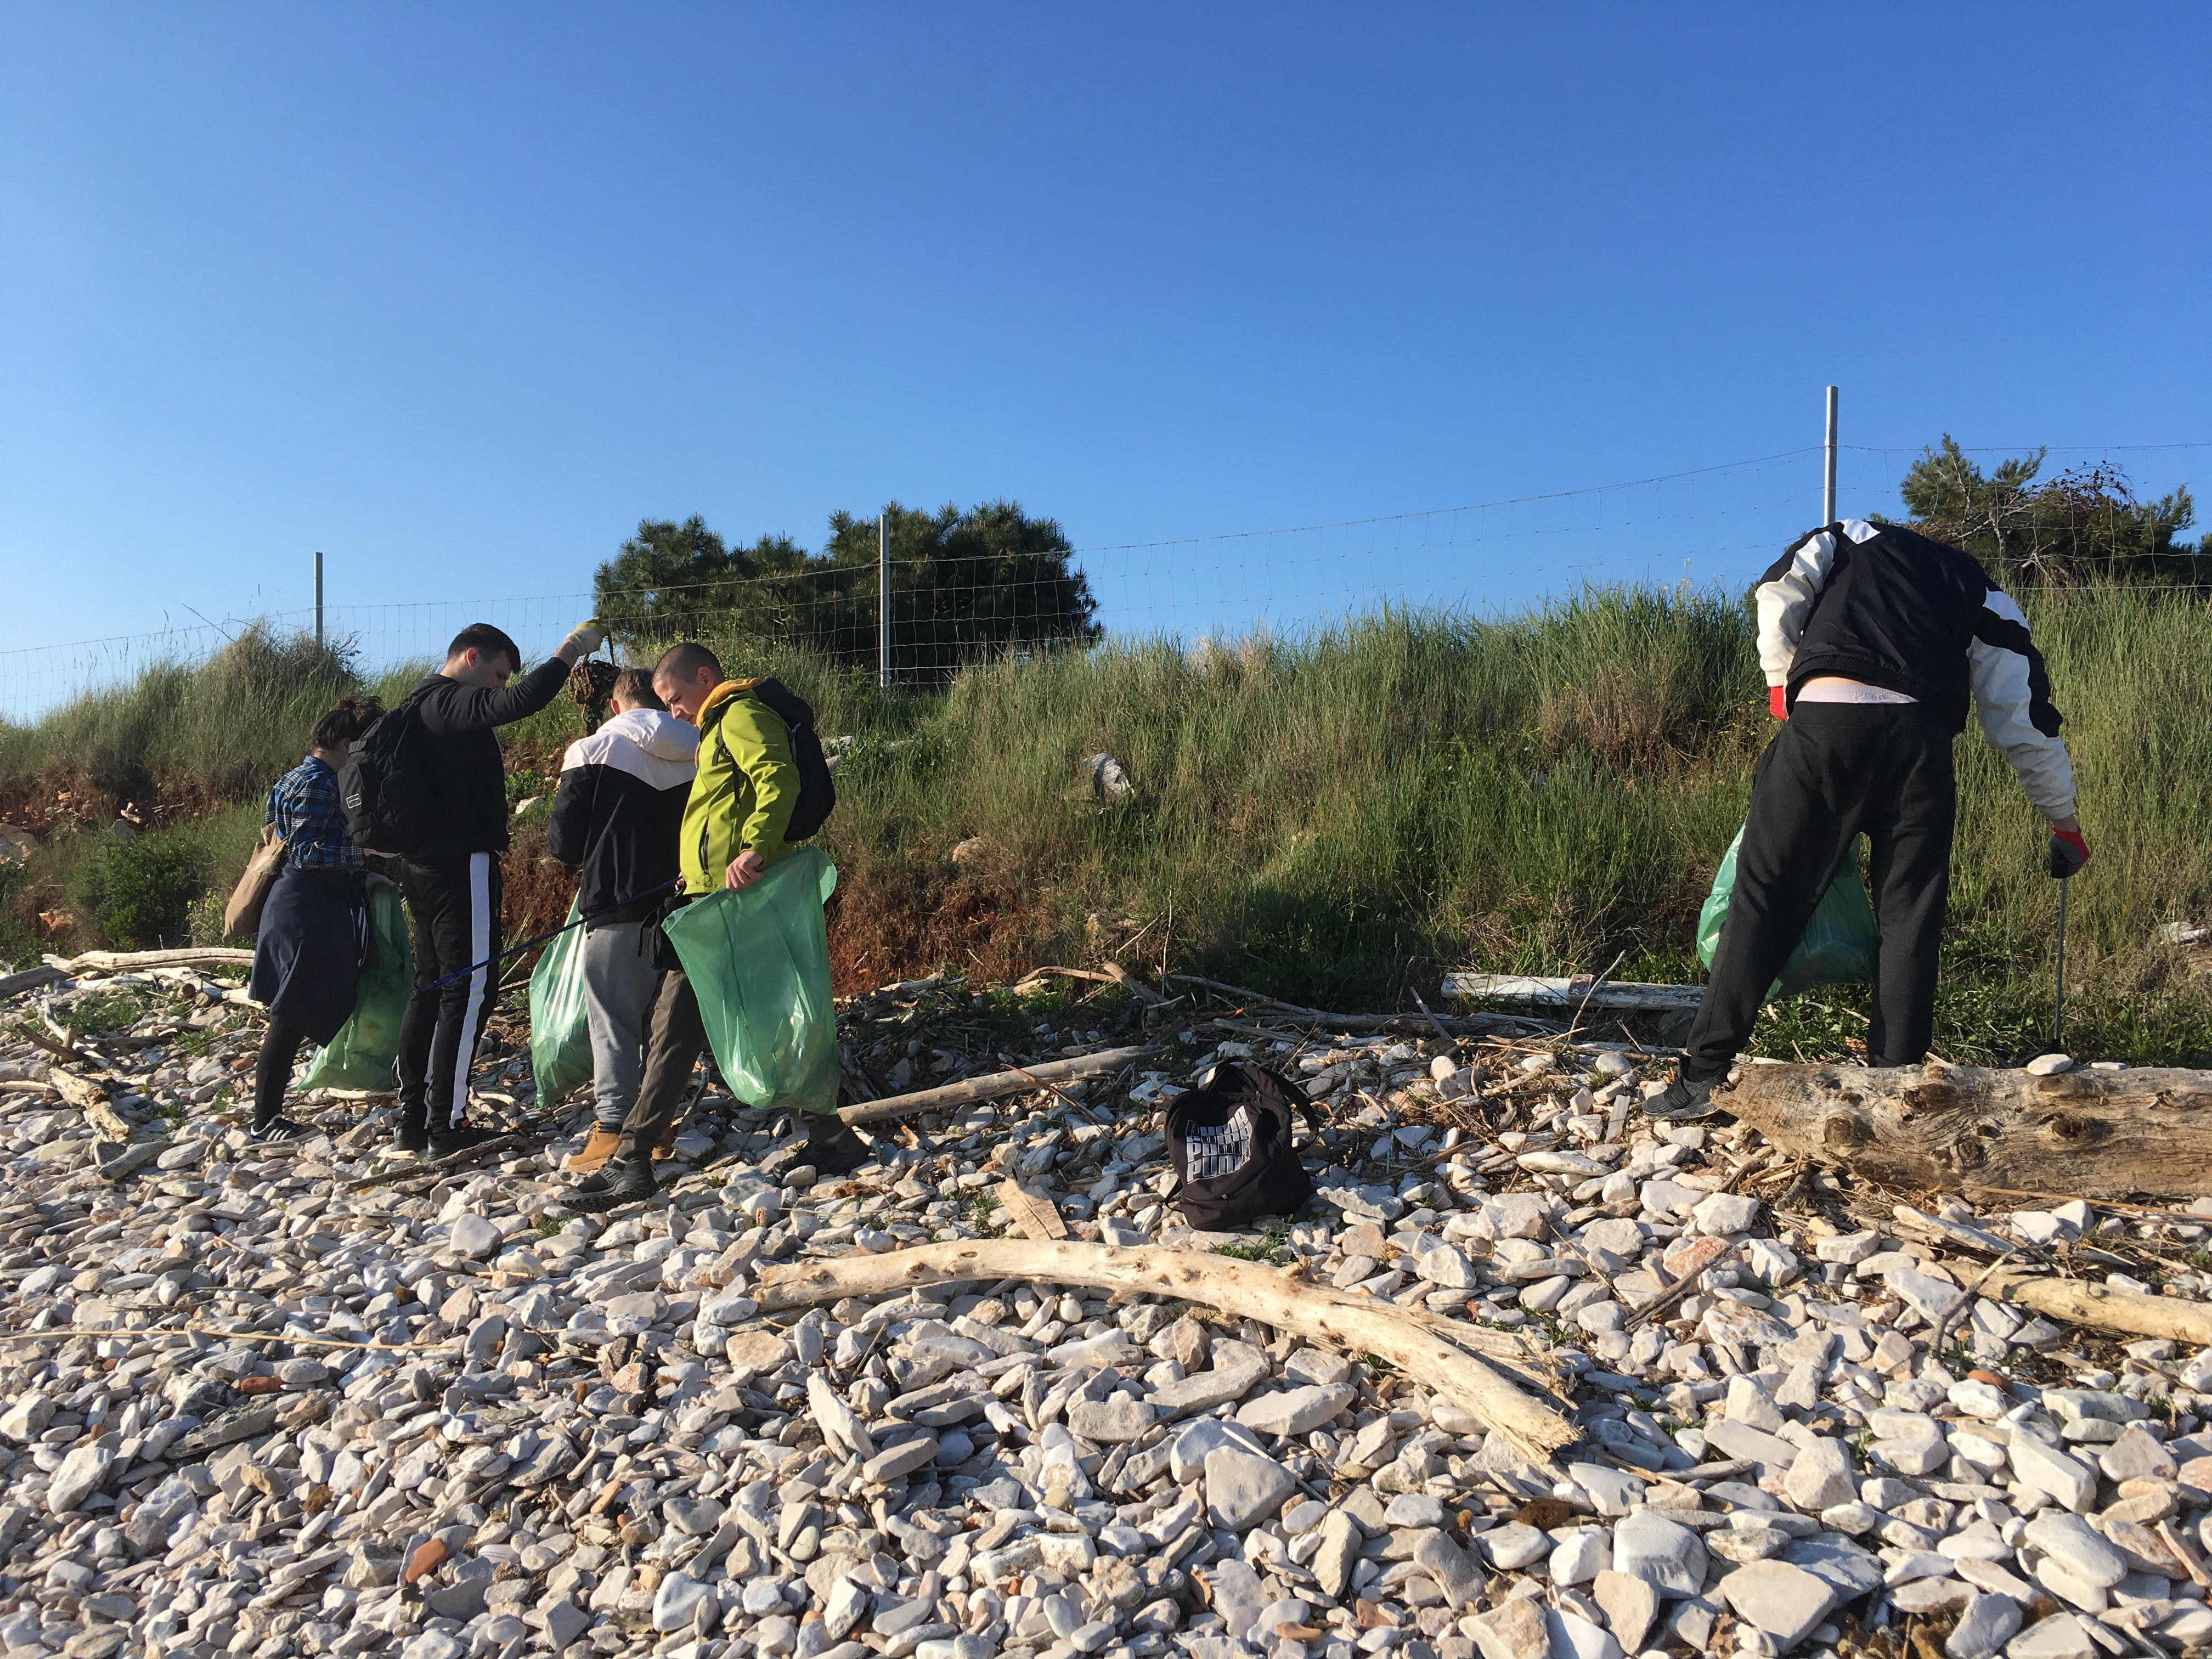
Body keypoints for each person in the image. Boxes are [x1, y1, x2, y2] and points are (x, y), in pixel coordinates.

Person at [1650, 518, 2090, 1120]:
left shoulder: (1851, 535)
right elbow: (2024, 718)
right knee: (1909, 918)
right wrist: (2063, 822)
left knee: (1766, 898)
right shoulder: (1981, 587)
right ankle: (1895, 1092)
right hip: (1920, 744)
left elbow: (1778, 592)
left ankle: (1700, 1081)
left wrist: (1782, 685)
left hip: (1825, 727)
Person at [571, 640, 870, 1211]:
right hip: (713, 895)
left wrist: (755, 849)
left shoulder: (740, 713)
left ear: (705, 677)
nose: (674, 712)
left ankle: (632, 1162)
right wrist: (694, 873)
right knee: (752, 1019)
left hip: (734, 900)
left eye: (677, 698)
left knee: (673, 1026)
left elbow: (775, 779)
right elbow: (722, 811)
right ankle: (833, 1137)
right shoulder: (717, 723)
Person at [394, 619, 606, 1156]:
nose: (500, 686)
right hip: (460, 862)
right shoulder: (449, 702)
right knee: (467, 990)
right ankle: (448, 1125)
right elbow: (516, 705)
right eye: (497, 674)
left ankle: (414, 1121)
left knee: (431, 987)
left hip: (421, 866)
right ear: (470, 657)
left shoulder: (416, 707)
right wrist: (570, 652)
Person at [546, 667, 699, 1171]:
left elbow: (564, 847)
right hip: (684, 906)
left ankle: (612, 1129)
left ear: (615, 706)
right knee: (667, 1026)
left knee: (613, 1022)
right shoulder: (700, 748)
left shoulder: (590, 751)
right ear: (662, 702)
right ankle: (655, 1132)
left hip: (616, 904)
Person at [246, 695, 385, 1141]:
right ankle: (265, 1120)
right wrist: (369, 854)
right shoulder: (320, 783)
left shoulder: (290, 778)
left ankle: (267, 1115)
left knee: (292, 1008)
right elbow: (308, 852)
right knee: (290, 1014)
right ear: (347, 743)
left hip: (295, 902)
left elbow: (274, 833)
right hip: (308, 904)